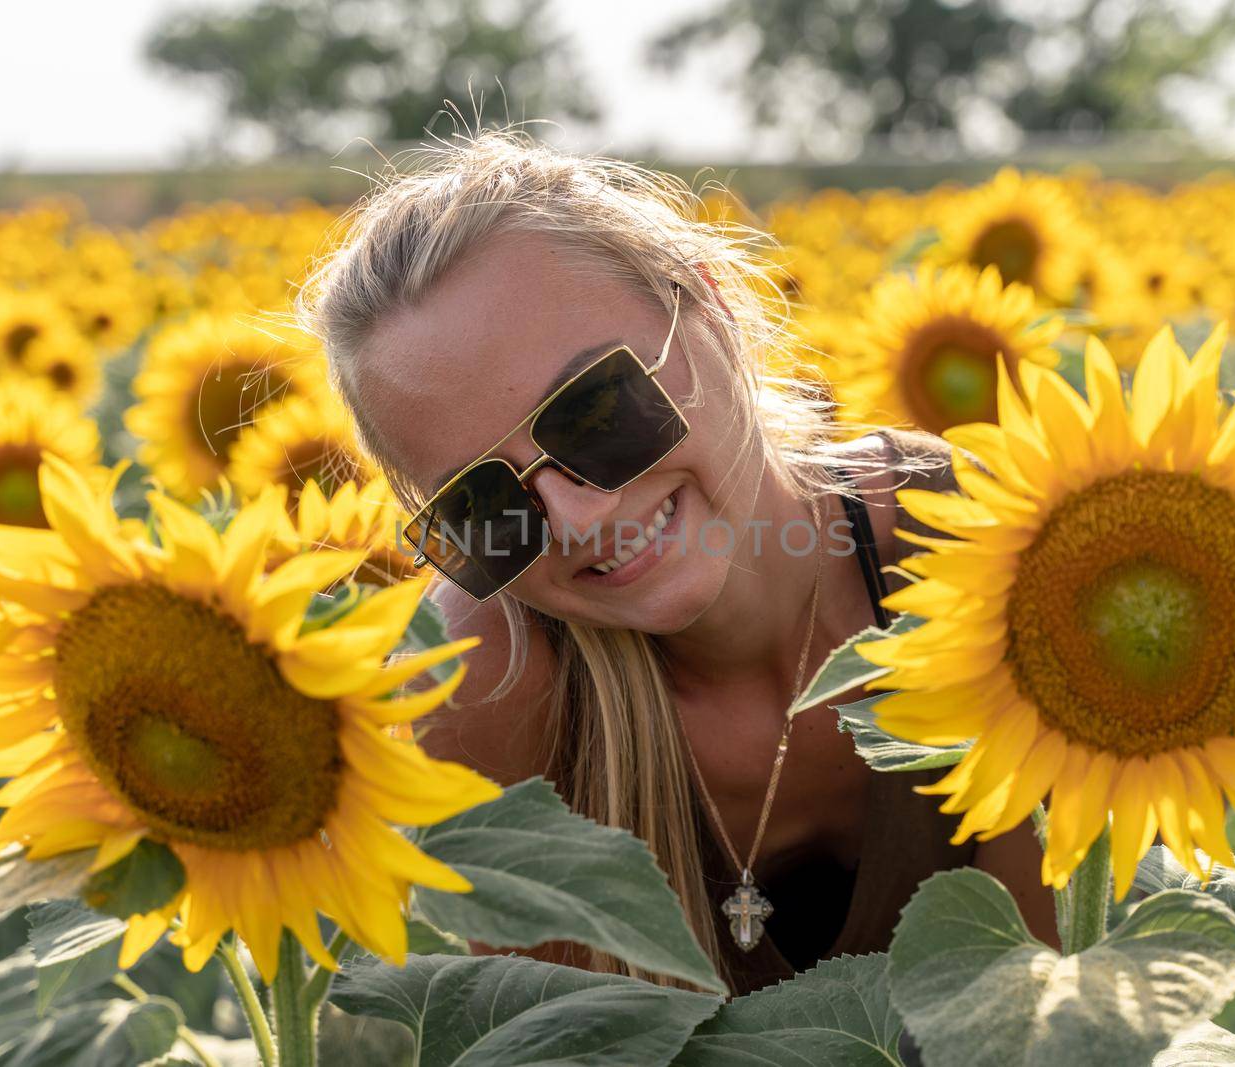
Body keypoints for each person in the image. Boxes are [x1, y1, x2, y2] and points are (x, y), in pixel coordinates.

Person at [298, 127, 1058, 996]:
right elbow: (579, 1048)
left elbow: (1052, 1013)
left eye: (594, 411)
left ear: (711, 309)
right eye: (483, 506)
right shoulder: (488, 684)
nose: (577, 517)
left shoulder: (969, 539)